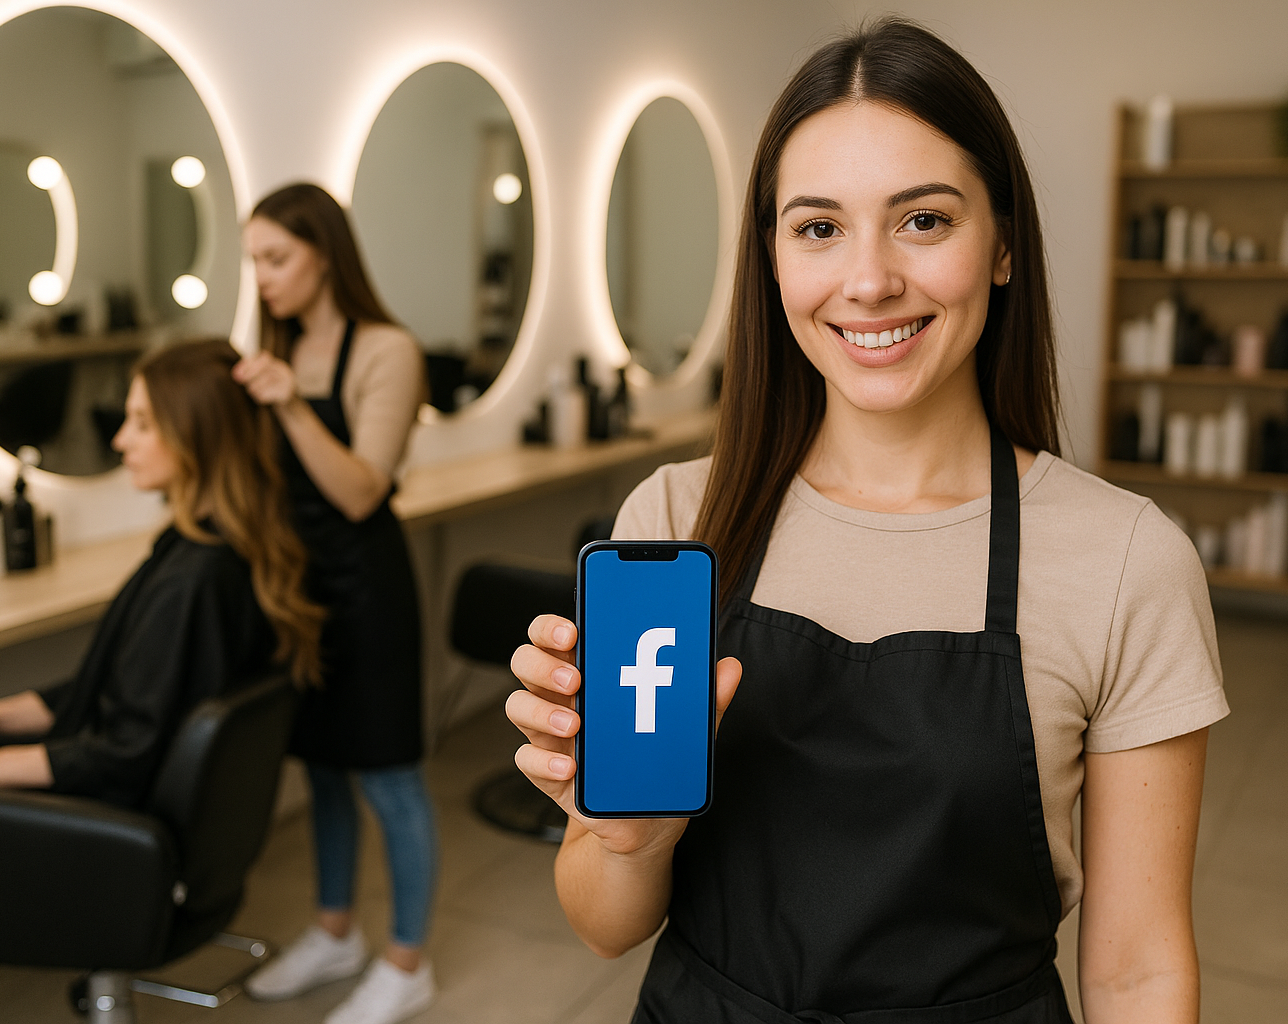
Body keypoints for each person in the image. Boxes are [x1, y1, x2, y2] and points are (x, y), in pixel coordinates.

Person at [506, 19, 1228, 1024]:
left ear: (1004, 244)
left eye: (923, 220)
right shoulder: (677, 521)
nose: (870, 280)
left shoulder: (1124, 562)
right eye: (818, 228)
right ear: (771, 258)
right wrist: (632, 841)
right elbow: (604, 925)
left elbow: (1139, 972)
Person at [0, 339, 322, 805]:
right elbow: (106, 691)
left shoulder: (192, 580)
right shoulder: (219, 551)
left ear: (197, 436)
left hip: (111, 809)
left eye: (143, 424)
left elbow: (126, 752)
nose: (119, 440)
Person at [233, 183, 436, 1024]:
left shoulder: (387, 350)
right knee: (321, 770)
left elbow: (360, 491)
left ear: (323, 253)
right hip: (299, 595)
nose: (263, 278)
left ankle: (407, 962)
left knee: (389, 780)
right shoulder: (270, 351)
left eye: (277, 258)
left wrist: (288, 405)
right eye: (254, 261)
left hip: (367, 591)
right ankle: (334, 933)